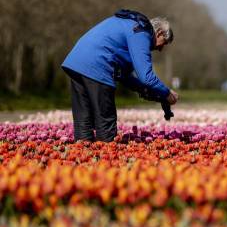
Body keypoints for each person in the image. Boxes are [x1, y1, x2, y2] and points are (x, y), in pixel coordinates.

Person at [62, 9, 179, 142]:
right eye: (163, 43)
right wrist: (166, 94)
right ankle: (104, 158)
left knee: (83, 120)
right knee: (105, 122)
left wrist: (151, 92)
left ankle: (84, 156)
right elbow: (146, 77)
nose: (160, 49)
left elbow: (124, 76)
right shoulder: (142, 32)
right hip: (97, 66)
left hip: (76, 62)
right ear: (159, 32)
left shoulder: (128, 24)